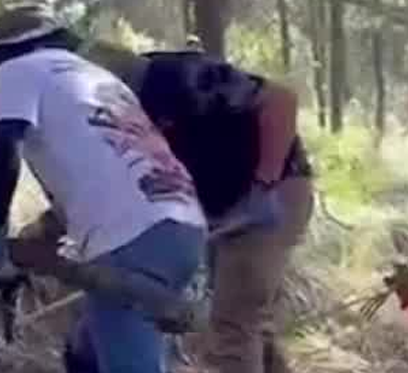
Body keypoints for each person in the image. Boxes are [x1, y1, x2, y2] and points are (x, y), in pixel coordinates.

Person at [0, 3, 207, 373]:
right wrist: (44, 239)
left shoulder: (18, 69)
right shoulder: (99, 79)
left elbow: (4, 148)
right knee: (85, 354)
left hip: (131, 236)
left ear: (4, 52)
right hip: (183, 223)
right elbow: (105, 170)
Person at [80, 39, 314, 373]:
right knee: (247, 324)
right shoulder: (109, 115)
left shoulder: (180, 76)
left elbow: (281, 100)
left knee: (233, 325)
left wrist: (263, 186)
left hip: (272, 195)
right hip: (217, 208)